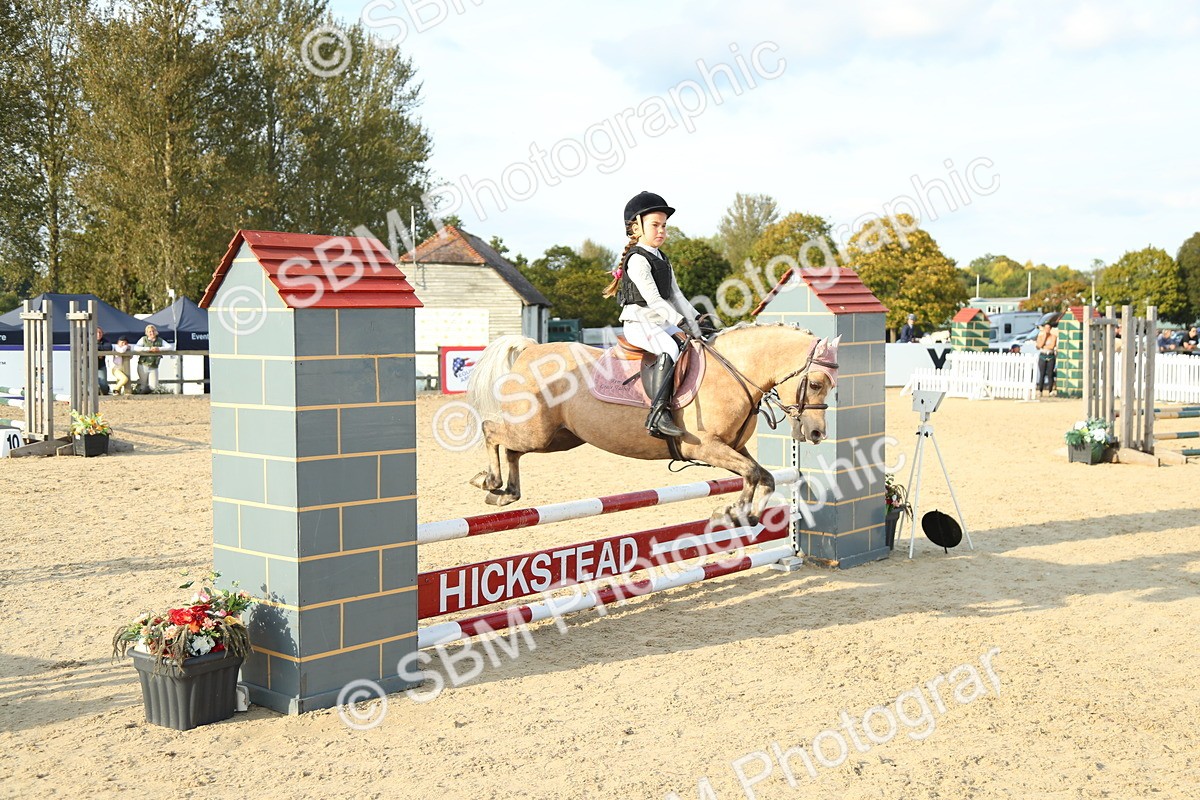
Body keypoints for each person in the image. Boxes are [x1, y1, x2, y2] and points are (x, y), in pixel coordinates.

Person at [601, 191, 700, 438]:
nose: (661, 231)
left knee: (697, 344)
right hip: (639, 323)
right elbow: (654, 300)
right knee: (670, 348)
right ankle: (658, 414)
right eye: (655, 225)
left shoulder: (662, 258)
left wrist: (697, 320)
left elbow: (677, 296)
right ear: (636, 228)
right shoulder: (637, 259)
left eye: (664, 226)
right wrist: (680, 322)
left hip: (660, 322)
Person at [134, 324, 170, 394]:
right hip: (143, 364)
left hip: (154, 365)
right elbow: (136, 348)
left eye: (153, 331)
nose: (152, 333)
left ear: (156, 332)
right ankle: (140, 396)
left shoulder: (160, 340)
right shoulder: (143, 339)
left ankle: (141, 394)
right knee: (143, 384)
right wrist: (148, 349)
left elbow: (169, 347)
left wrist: (158, 349)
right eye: (150, 331)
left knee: (153, 386)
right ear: (146, 333)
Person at [1034, 321, 1058, 395]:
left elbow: (1052, 346)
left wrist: (1044, 346)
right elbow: (1039, 346)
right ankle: (1040, 390)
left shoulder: (1053, 336)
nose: (1047, 329)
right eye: (1046, 328)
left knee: (1050, 374)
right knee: (1042, 374)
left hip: (1050, 355)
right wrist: (1044, 337)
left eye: (1048, 328)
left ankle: (1050, 390)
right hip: (1043, 355)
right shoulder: (1040, 336)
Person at [96, 326, 111, 395]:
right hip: (88, 366)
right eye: (97, 332)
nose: (98, 334)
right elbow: (85, 347)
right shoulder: (88, 340)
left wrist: (98, 350)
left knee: (103, 384)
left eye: (100, 332)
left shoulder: (105, 341)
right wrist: (100, 351)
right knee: (90, 384)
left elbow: (109, 347)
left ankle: (105, 393)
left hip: (100, 365)